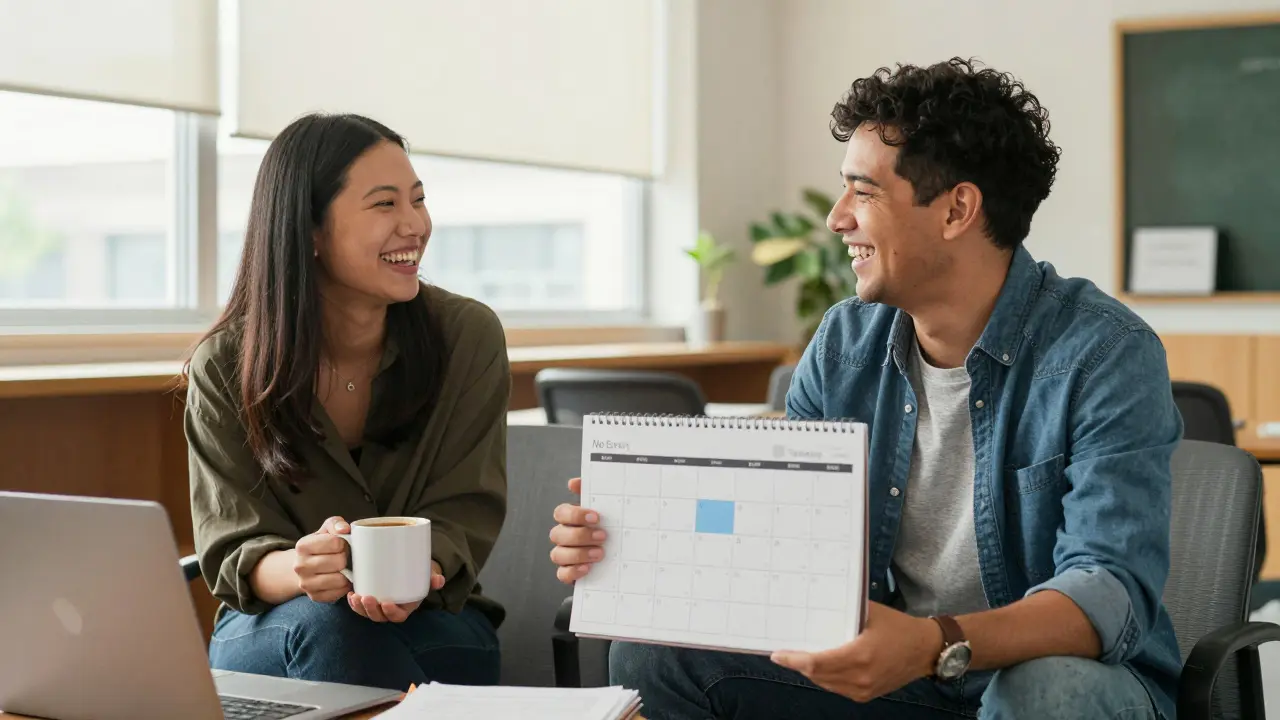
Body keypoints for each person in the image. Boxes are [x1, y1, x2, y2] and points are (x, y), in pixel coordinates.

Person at [549, 58, 1184, 719]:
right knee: (653, 656)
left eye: (864, 191)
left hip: (1056, 685)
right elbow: (780, 543)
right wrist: (636, 540)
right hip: (900, 679)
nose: (835, 218)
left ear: (957, 209)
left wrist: (933, 642)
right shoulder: (845, 344)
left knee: (1042, 690)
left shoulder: (1103, 353)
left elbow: (1106, 593)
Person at [183, 112, 510, 691]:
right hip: (274, 627)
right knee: (327, 625)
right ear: (308, 229)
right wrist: (306, 569)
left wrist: (412, 574)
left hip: (433, 624)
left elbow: (465, 510)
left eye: (418, 199)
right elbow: (233, 547)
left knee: (346, 635)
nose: (415, 225)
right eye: (385, 205)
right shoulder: (226, 366)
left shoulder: (468, 337)